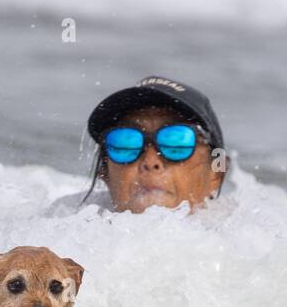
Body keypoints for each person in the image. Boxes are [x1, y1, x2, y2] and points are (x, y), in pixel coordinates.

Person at [53, 76, 230, 214]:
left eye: (176, 142)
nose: (151, 161)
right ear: (104, 173)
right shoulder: (58, 235)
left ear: (217, 173)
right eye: (125, 143)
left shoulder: (248, 248)